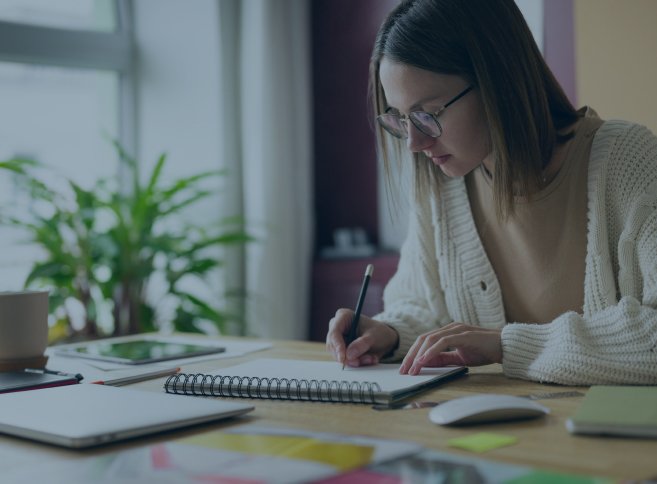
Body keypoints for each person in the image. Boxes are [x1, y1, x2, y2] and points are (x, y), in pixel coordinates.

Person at [326, 0, 657, 385]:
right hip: (497, 434)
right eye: (399, 119)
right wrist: (391, 332)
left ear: (498, 80)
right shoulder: (444, 184)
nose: (413, 143)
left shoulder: (627, 159)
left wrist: (507, 344)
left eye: (427, 115)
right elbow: (422, 306)